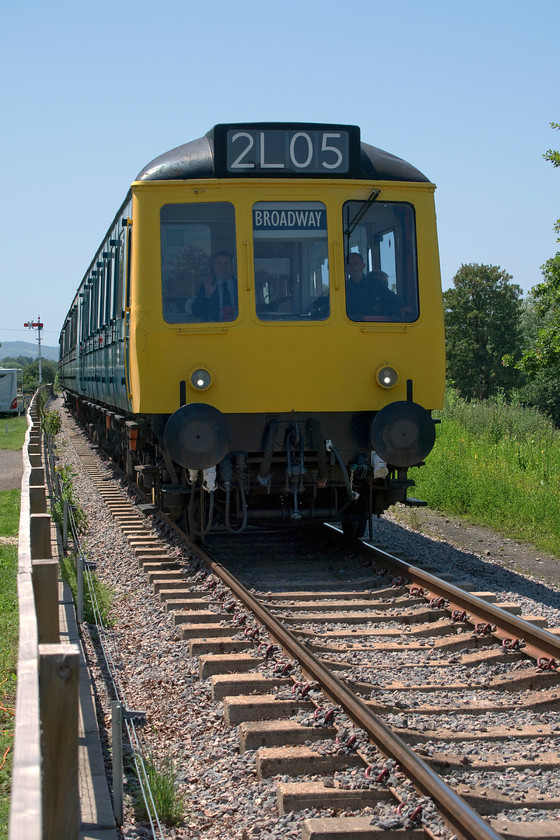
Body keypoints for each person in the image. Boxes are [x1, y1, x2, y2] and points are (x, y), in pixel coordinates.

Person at [191, 251, 238, 322]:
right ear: (214, 267)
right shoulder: (206, 286)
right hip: (217, 330)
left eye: (226, 263)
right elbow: (196, 312)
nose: (223, 267)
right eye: (219, 264)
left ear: (232, 266)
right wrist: (208, 295)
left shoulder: (240, 285)